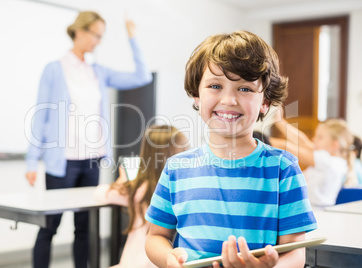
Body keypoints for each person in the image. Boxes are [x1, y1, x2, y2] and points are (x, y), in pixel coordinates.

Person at [144, 31, 317, 268]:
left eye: (244, 89)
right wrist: (167, 258)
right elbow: (156, 236)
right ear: (197, 96)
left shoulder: (283, 168)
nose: (229, 100)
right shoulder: (177, 167)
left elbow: (296, 254)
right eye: (215, 86)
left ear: (265, 102)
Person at [24, 11, 152, 268]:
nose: (97, 40)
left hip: (91, 160)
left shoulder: (99, 71)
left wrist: (132, 37)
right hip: (63, 161)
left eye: (100, 36)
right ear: (79, 31)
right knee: (50, 226)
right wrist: (31, 161)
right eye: (95, 34)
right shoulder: (54, 69)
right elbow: (41, 116)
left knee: (84, 227)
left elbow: (142, 76)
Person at [94, 125, 188, 268]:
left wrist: (122, 181)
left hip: (135, 262)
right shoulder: (183, 186)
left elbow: (100, 193)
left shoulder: (137, 188)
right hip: (171, 261)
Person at [269, 114, 357, 207]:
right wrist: (280, 121)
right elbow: (303, 142)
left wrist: (258, 141)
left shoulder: (331, 162)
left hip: (318, 212)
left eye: (320, 137)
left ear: (335, 145)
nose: (314, 139)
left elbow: (286, 147)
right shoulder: (332, 160)